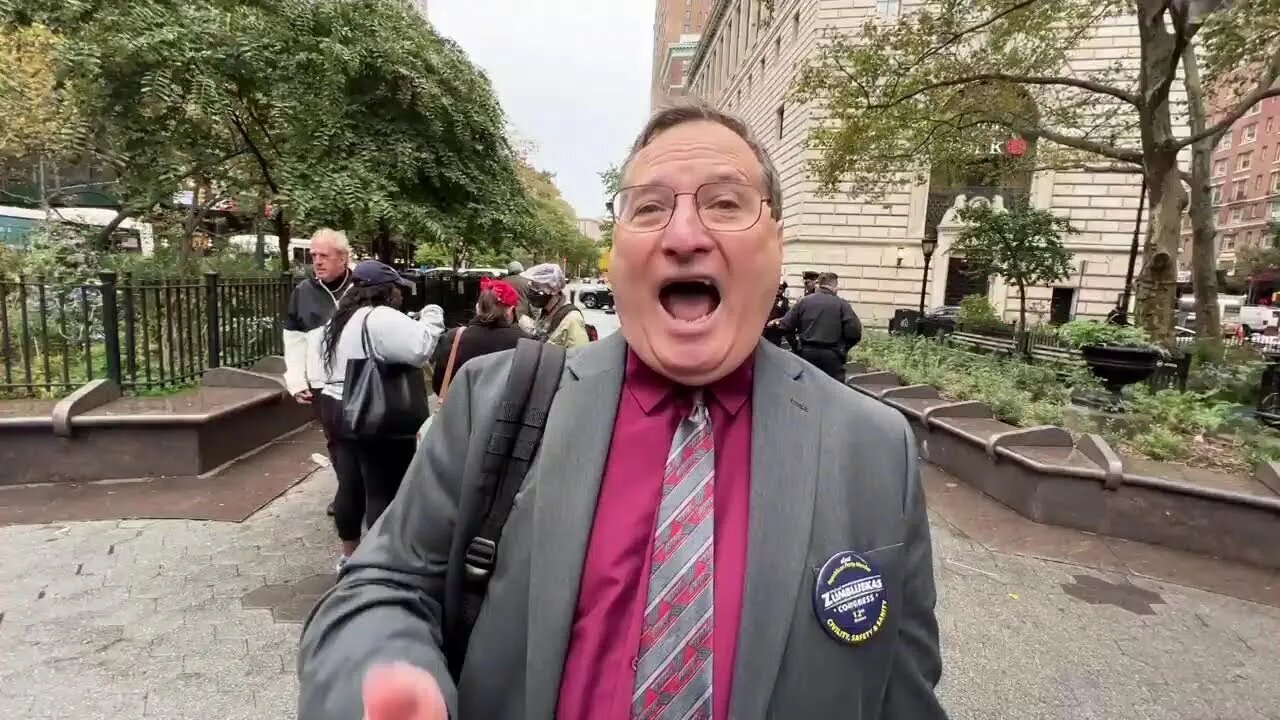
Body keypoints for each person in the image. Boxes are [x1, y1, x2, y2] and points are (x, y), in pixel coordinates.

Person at [298, 104, 946, 720]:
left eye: (725, 203)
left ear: (777, 243)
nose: (685, 235)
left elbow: (905, 696)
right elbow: (379, 586)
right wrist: (382, 674)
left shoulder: (875, 449)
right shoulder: (494, 402)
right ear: (616, 252)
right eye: (650, 208)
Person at [319, 260, 444, 572]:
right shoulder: (378, 317)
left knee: (350, 484)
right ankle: (377, 565)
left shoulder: (341, 316)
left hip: (336, 407)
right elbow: (420, 347)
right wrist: (432, 316)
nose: (400, 294)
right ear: (386, 291)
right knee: (381, 487)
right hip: (371, 412)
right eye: (397, 288)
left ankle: (350, 556)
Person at [283, 228, 354, 518]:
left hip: (358, 378)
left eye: (324, 255)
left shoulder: (361, 287)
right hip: (322, 383)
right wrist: (296, 380)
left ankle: (364, 491)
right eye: (314, 256)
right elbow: (293, 338)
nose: (317, 262)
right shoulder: (303, 292)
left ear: (343, 257)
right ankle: (347, 492)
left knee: (362, 437)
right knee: (335, 440)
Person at [429, 277, 530, 397]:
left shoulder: (454, 337)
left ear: (478, 307)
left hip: (461, 410)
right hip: (505, 412)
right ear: (510, 311)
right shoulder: (525, 342)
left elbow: (439, 385)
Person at [773, 271, 863, 383]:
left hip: (806, 354)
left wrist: (796, 347)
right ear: (834, 286)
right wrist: (843, 348)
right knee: (832, 391)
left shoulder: (804, 302)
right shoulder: (842, 305)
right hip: (832, 357)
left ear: (819, 284)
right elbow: (855, 332)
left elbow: (785, 326)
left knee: (806, 390)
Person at [523, 262, 591, 349]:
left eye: (537, 287)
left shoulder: (572, 319)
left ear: (554, 289)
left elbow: (580, 355)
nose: (532, 291)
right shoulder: (546, 311)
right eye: (531, 286)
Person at [762, 280, 794, 348]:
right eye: (777, 287)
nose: (778, 290)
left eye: (780, 288)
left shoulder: (784, 301)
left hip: (775, 331)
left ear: (783, 290)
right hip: (763, 330)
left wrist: (777, 320)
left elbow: (787, 315)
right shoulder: (766, 298)